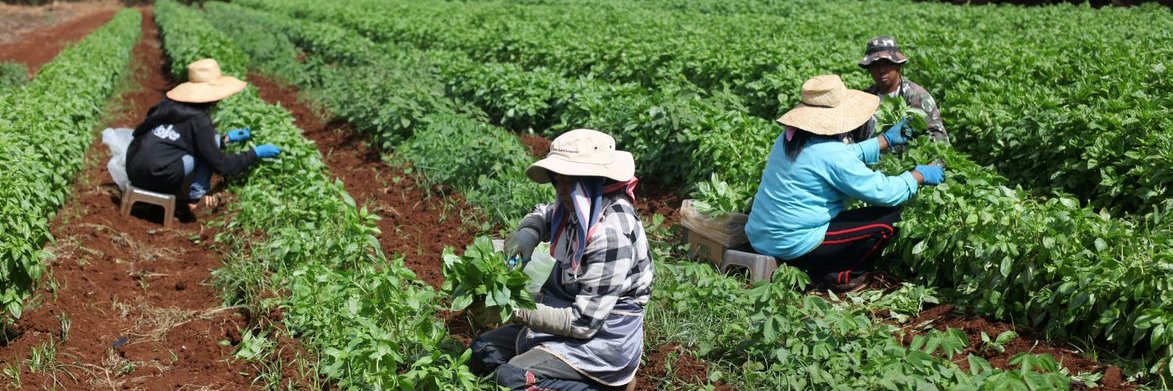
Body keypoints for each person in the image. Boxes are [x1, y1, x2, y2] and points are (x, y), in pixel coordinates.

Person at [470, 129, 652, 391]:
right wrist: (528, 234)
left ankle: (611, 386)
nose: (563, 190)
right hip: (563, 313)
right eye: (558, 181)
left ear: (594, 178)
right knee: (482, 351)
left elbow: (582, 323)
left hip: (599, 342)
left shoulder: (611, 233)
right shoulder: (582, 204)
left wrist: (514, 310)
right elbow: (544, 213)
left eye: (571, 182)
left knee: (510, 379)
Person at [745, 75, 946, 292]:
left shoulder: (790, 138)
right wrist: (918, 175)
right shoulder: (832, 155)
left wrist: (883, 141)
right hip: (792, 244)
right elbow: (886, 192)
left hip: (760, 236)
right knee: (891, 220)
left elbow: (832, 157)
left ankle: (817, 265)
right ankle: (840, 275)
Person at [126, 58, 281, 211]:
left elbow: (142, 133)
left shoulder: (168, 104)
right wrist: (256, 153)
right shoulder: (199, 120)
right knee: (207, 152)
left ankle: (187, 193)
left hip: (133, 167)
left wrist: (226, 139)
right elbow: (222, 165)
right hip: (159, 175)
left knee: (209, 142)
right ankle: (195, 199)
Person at [857, 36, 948, 142]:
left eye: (887, 64)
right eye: (875, 65)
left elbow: (937, 136)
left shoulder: (917, 96)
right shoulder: (865, 97)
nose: (881, 70)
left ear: (898, 66)